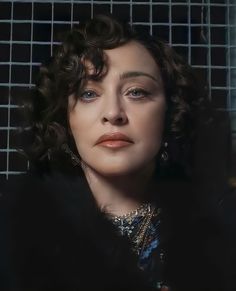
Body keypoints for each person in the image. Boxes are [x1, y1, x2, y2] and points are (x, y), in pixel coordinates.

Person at [0, 14, 235, 291]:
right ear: (65, 117)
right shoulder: (11, 227)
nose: (113, 113)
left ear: (171, 111)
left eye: (136, 92)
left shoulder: (222, 228)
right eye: (88, 93)